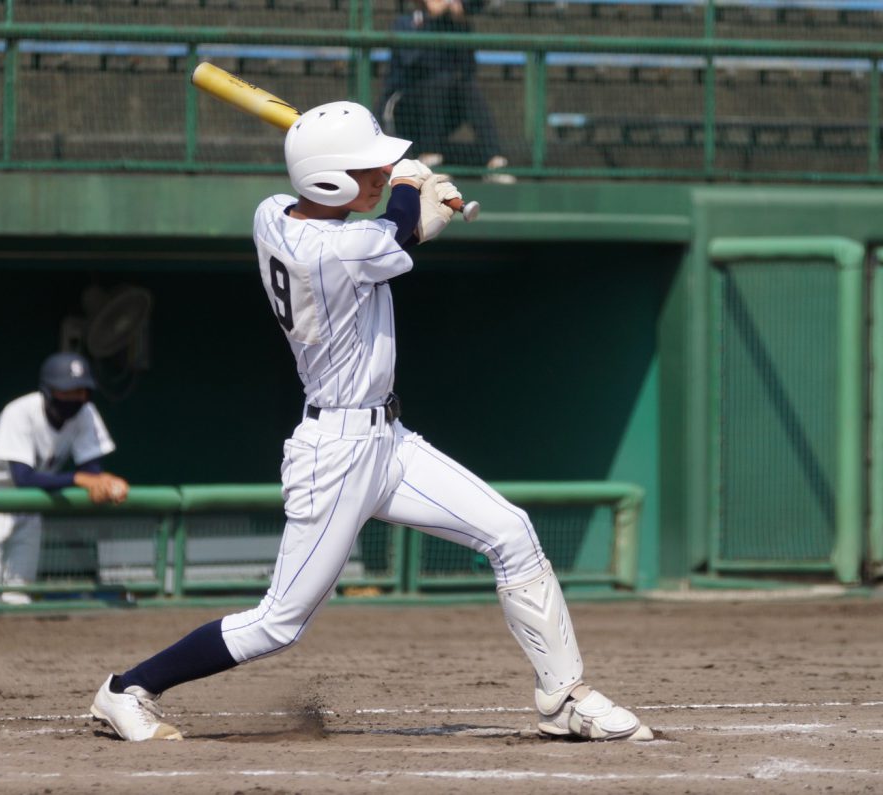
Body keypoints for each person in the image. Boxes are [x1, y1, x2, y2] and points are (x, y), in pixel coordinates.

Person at [89, 101, 652, 743]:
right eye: (366, 167)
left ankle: (564, 698)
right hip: (336, 452)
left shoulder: (272, 214)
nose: (378, 173)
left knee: (512, 531)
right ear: (327, 179)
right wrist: (413, 184)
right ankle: (125, 689)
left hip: (390, 441)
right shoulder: (339, 250)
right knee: (279, 623)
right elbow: (401, 227)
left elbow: (394, 218)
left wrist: (400, 178)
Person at [0, 352, 129, 606]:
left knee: (19, 595)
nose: (77, 398)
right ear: (48, 391)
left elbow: (91, 471)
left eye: (82, 391)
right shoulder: (20, 411)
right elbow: (23, 478)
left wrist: (106, 483)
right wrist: (81, 479)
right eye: (68, 391)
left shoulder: (85, 413)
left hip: (32, 502)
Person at [377, 0, 515, 183]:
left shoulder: (454, 26)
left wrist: (462, 24)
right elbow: (410, 60)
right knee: (437, 82)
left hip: (441, 112)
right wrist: (431, 18)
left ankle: (495, 161)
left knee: (466, 86)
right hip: (405, 107)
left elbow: (468, 70)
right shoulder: (407, 21)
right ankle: (430, 160)